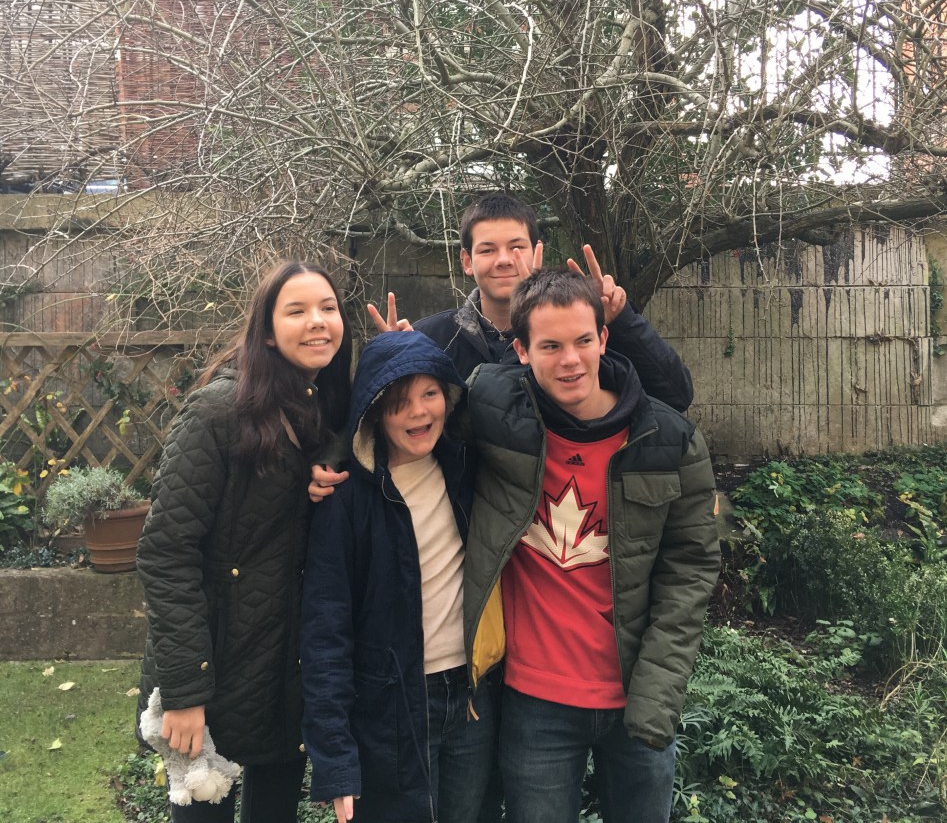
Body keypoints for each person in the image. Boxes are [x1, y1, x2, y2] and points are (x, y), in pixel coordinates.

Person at [459, 268, 721, 823]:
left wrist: (658, 695)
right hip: (535, 702)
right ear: (521, 351)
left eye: (582, 340)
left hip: (637, 696)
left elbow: (691, 570)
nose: (571, 360)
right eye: (550, 346)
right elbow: (407, 424)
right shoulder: (491, 409)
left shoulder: (669, 441)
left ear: (604, 338)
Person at [136, 261, 353, 823]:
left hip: (283, 677)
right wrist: (185, 692)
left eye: (328, 308)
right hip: (212, 671)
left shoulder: (321, 408)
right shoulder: (218, 411)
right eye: (297, 310)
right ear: (267, 331)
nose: (318, 321)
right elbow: (166, 552)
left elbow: (370, 428)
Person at [301, 330, 497, 823]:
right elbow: (325, 629)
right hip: (394, 705)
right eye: (398, 402)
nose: (418, 412)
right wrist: (336, 759)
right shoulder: (344, 497)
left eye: (430, 393)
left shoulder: (464, 465)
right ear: (373, 413)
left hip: (472, 694)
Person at [391, 192, 693, 413]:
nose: (504, 260)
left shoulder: (580, 333)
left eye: (516, 247)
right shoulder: (430, 339)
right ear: (467, 261)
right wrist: (391, 367)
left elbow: (675, 396)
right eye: (487, 250)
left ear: (537, 251)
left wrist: (622, 321)